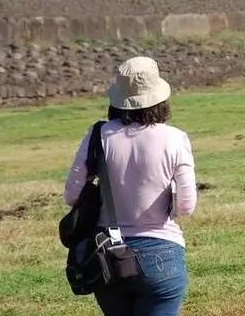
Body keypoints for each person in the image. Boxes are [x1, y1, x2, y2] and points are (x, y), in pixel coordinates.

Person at [64, 56, 197, 316]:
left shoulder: (97, 135)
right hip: (162, 253)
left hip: (108, 256)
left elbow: (71, 196)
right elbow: (186, 206)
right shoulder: (175, 138)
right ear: (161, 97)